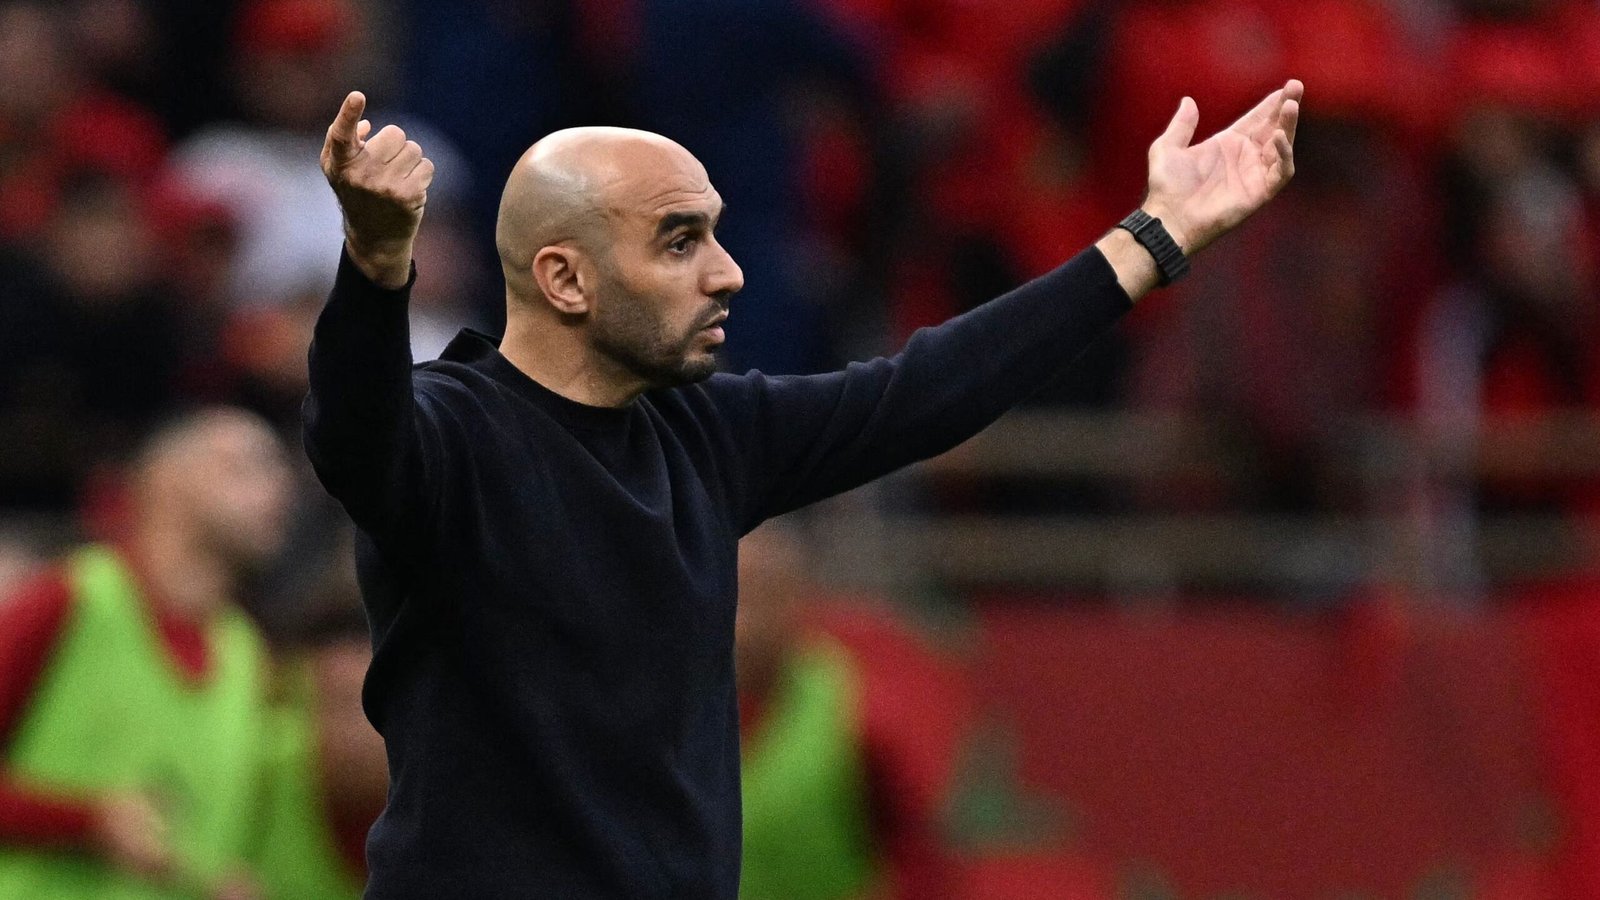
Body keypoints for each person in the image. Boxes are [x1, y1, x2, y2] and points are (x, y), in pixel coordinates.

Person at [304, 78, 1301, 897]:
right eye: (679, 241)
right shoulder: (452, 436)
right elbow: (353, 436)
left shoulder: (703, 437)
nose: (729, 273)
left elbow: (924, 392)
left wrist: (1154, 234)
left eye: (717, 234)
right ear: (565, 280)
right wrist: (377, 265)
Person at [0, 408, 294, 899]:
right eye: (244, 466)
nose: (279, 490)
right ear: (163, 480)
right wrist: (85, 822)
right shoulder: (70, 598)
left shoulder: (246, 653)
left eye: (282, 471)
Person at [735, 524, 963, 900]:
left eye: (761, 597)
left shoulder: (858, 710)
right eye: (733, 599)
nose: (742, 626)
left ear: (798, 600)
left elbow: (918, 855)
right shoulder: (669, 714)